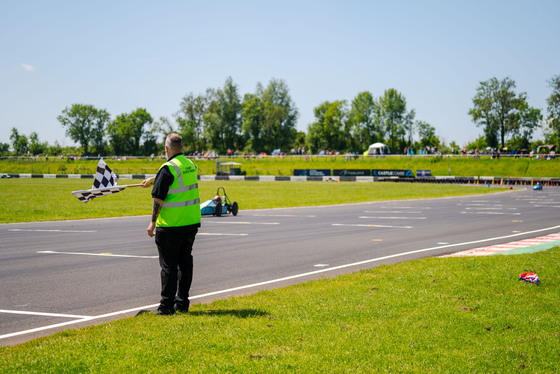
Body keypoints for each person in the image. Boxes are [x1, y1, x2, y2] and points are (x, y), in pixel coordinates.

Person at [141, 133, 201, 315]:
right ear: (181, 148)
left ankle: (166, 307)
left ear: (166, 149)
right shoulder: (190, 165)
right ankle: (182, 304)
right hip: (190, 223)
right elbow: (174, 178)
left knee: (168, 267)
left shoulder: (167, 169)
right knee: (185, 263)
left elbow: (158, 198)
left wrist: (152, 223)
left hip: (171, 225)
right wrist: (155, 178)